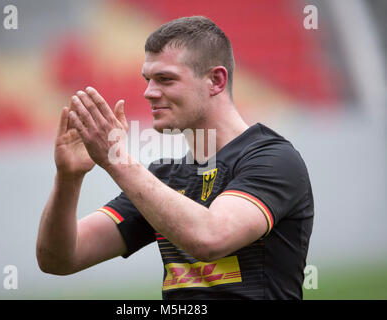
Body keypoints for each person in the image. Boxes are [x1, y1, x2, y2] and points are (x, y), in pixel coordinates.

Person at [36, 16, 314, 299]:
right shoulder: (163, 179)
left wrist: (116, 160)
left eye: (165, 79)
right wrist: (68, 178)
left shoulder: (273, 159)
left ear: (216, 81)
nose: (149, 93)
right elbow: (58, 259)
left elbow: (211, 238)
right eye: (148, 80)